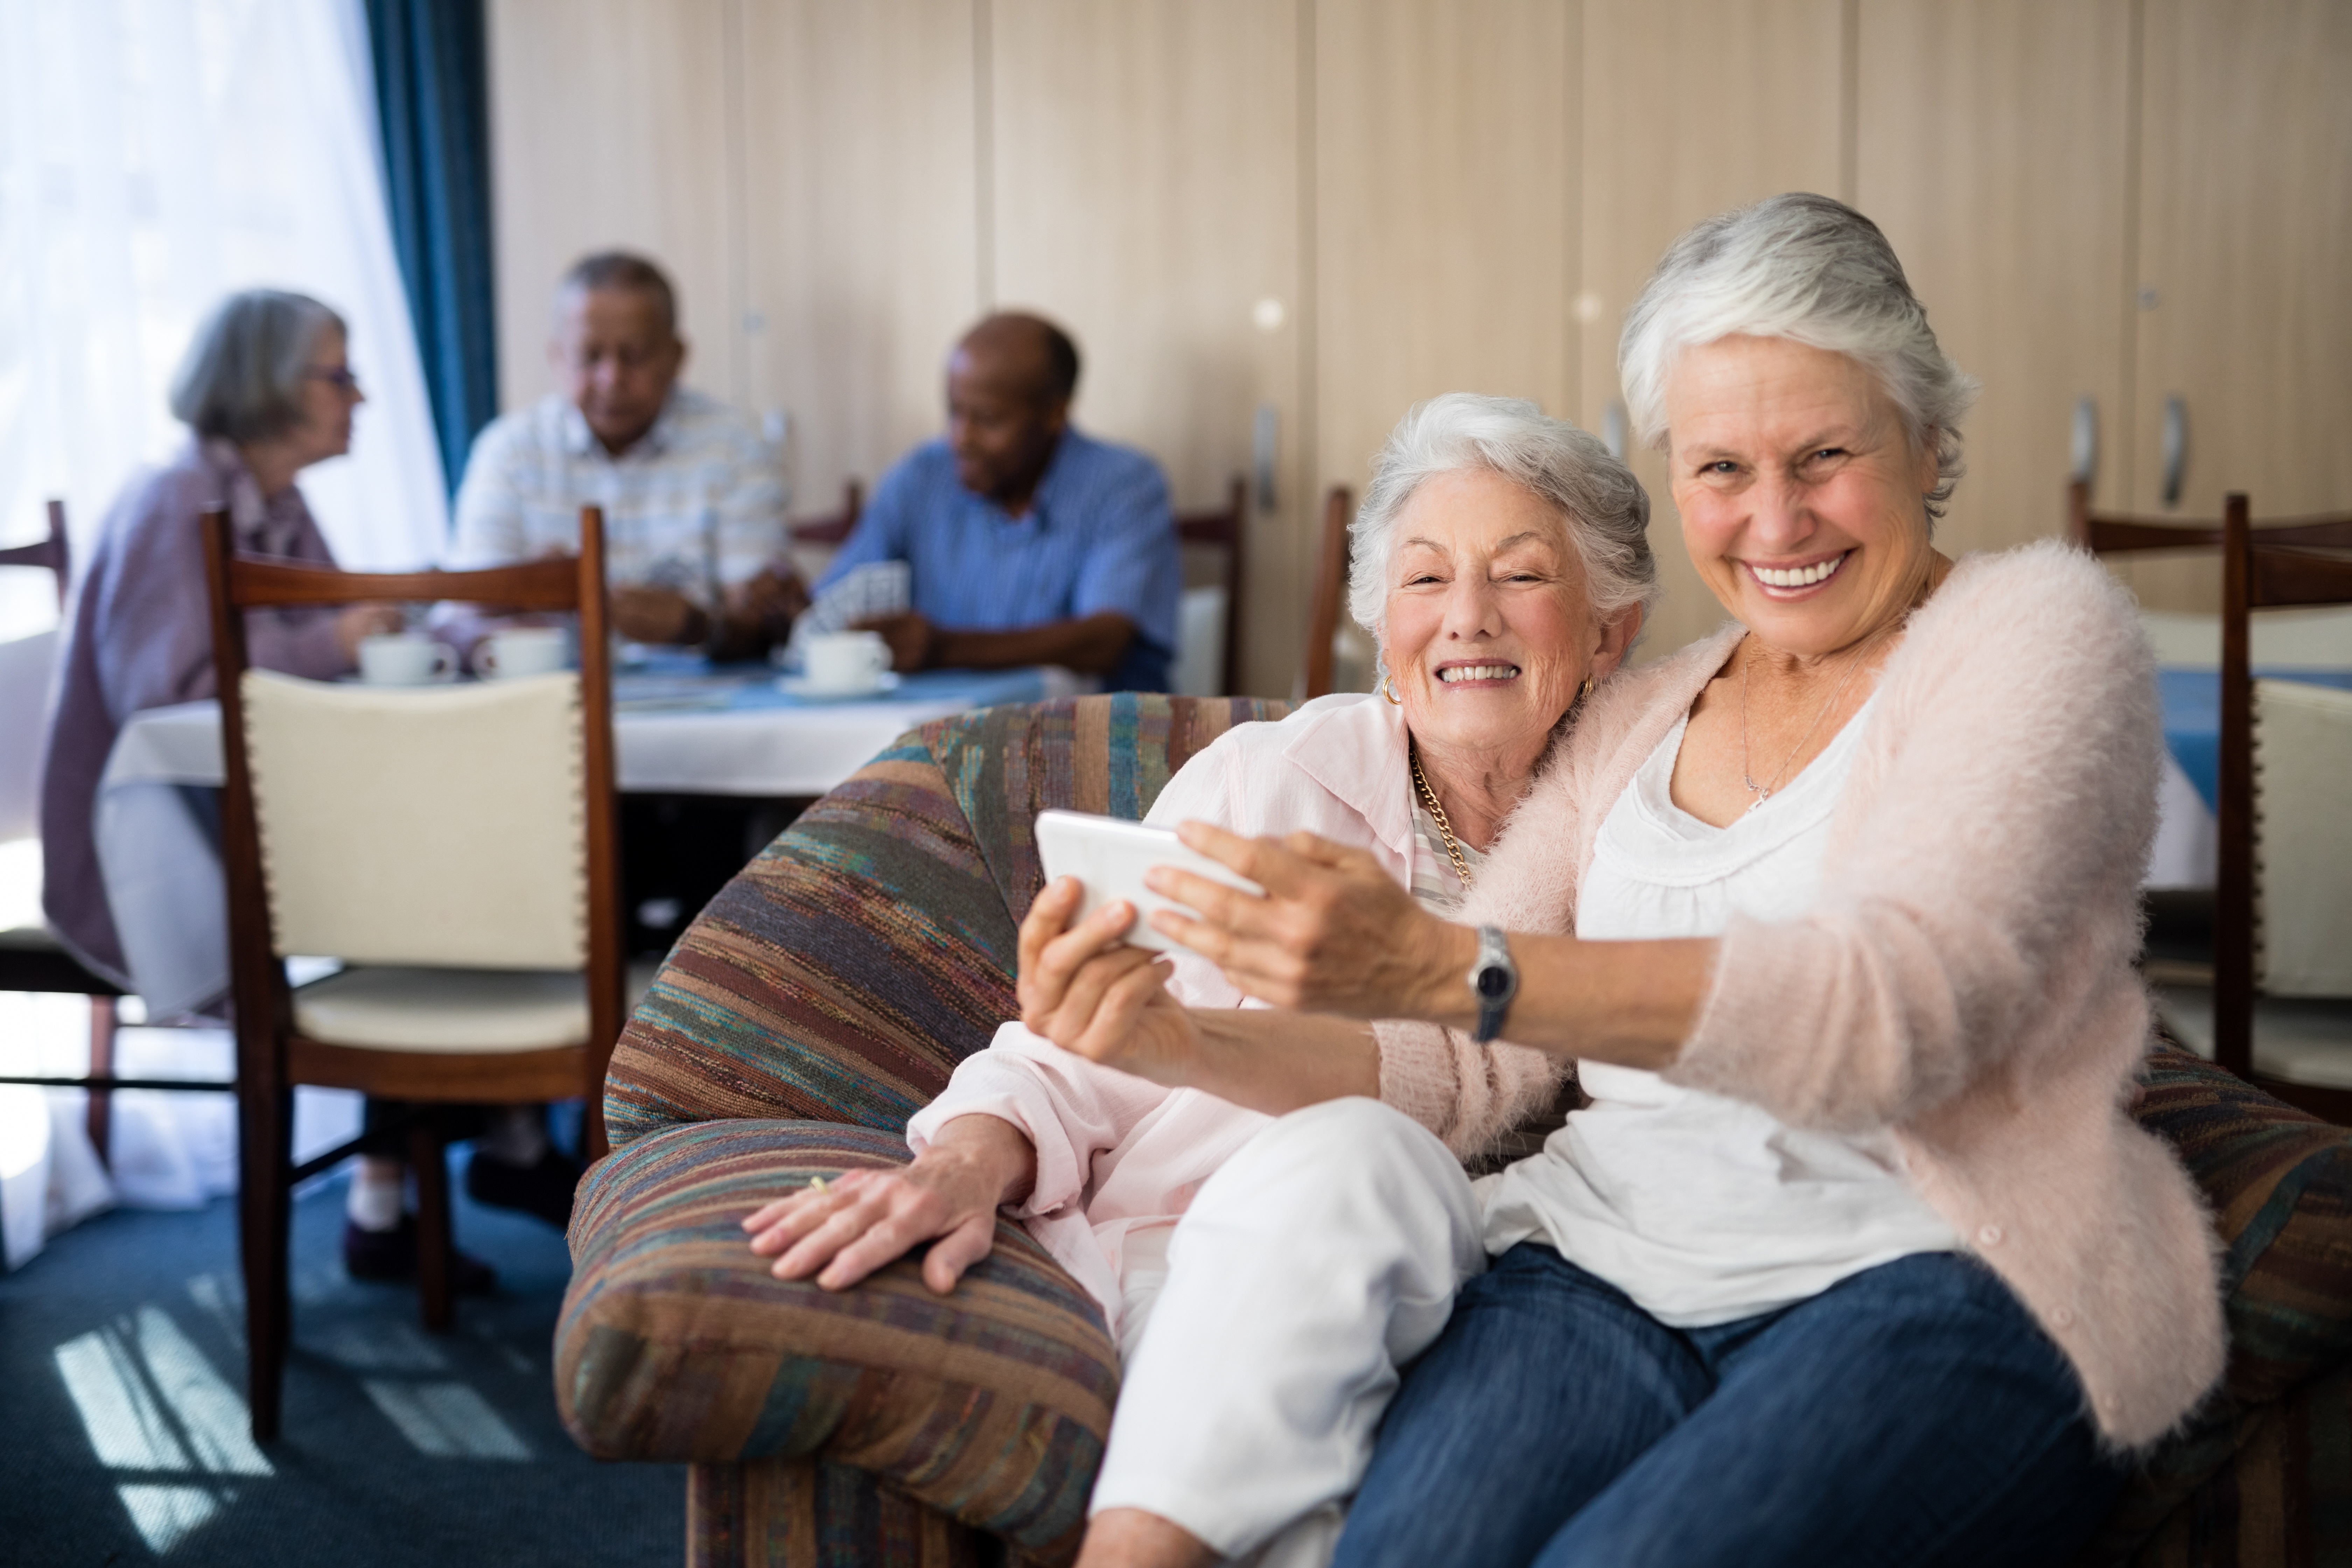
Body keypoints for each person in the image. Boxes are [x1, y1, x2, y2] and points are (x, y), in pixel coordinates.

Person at [1016, 194, 2227, 1568]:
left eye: (1825, 453)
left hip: (1937, 1274)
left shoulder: (2035, 636)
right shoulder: (1644, 709)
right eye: (1720, 466)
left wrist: (1444, 964)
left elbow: (1898, 1003)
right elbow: (1458, 1072)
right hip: (1595, 1268)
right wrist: (1173, 1037)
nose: (1774, 519)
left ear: (1931, 441)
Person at [742, 394, 1651, 1566]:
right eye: (1425, 583)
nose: (1467, 619)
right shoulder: (1270, 786)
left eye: (1521, 577)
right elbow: (1079, 1045)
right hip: (1239, 1262)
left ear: (1610, 631)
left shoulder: (1658, 816)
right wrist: (968, 1160)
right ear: (1384, 630)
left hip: (1531, 1298)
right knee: (1356, 1156)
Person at [40, 289, 574, 1288]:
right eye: (338, 375)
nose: (360, 394)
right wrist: (335, 639)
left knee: (442, 853)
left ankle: (429, 1178)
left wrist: (450, 632)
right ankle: (504, 1140)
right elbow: (167, 697)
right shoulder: (175, 499)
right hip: (158, 845)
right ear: (265, 385)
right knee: (450, 862)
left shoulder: (273, 504)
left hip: (258, 823)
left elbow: (351, 618)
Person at [447, 251, 804, 660]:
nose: (611, 379)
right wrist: (525, 589)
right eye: (590, 356)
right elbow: (461, 616)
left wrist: (696, 626)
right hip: (549, 704)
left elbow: (764, 620)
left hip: (712, 708)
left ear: (677, 356)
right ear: (557, 357)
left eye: (633, 356)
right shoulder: (508, 451)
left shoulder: (735, 446)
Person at [814, 312, 1182, 692]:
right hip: (942, 730)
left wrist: (945, 648)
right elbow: (831, 608)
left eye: (988, 420)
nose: (961, 438)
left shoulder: (1124, 483)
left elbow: (1104, 641)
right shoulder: (921, 477)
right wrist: (776, 617)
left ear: (1055, 413)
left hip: (1090, 735)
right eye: (955, 412)